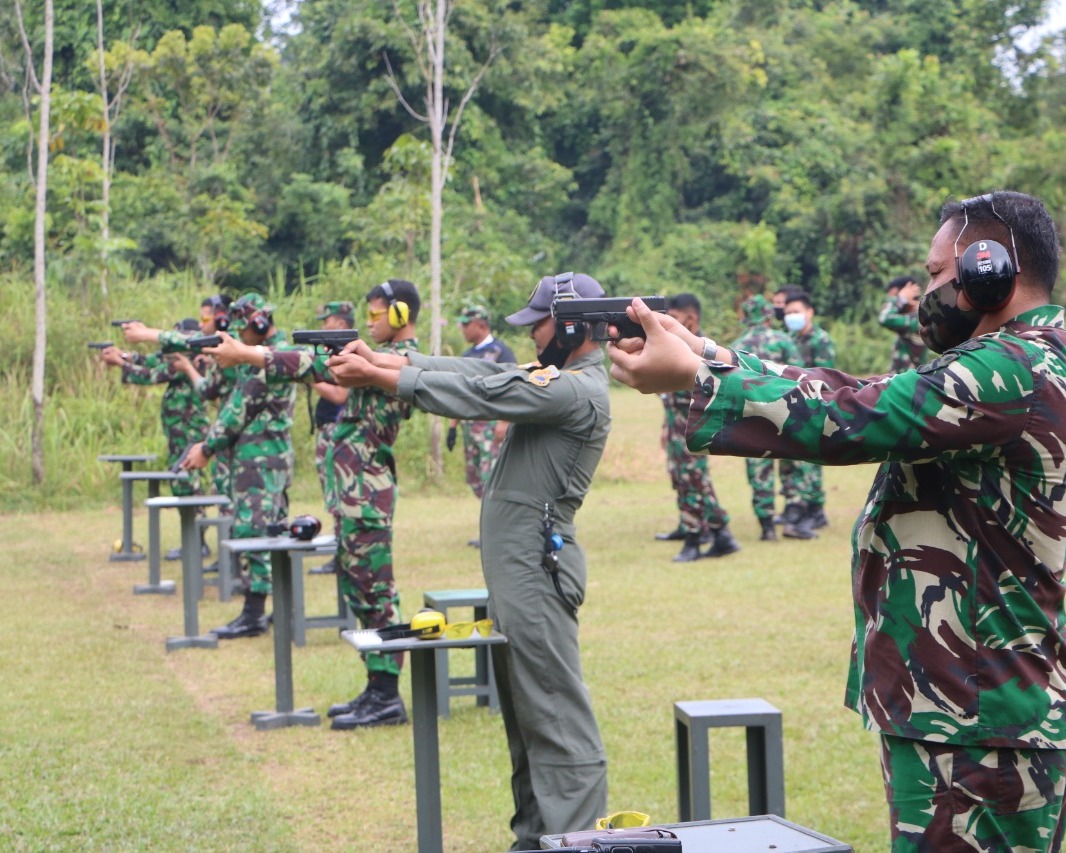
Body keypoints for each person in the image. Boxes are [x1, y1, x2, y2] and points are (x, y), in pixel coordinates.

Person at [608, 190, 1066, 852]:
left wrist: (697, 379)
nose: (928, 290)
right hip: (972, 708)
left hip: (979, 723)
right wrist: (707, 353)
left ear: (991, 268)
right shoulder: (1027, 357)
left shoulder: (1013, 367)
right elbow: (854, 388)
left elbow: (849, 415)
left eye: (939, 273)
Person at [327, 272, 610, 848]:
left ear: (575, 325)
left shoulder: (577, 389)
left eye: (542, 324)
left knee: (556, 720)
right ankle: (535, 840)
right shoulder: (557, 377)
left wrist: (389, 378)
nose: (532, 335)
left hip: (536, 574)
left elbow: (484, 395)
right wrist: (384, 363)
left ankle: (577, 841)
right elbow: (479, 372)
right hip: (521, 575)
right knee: (530, 720)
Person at [206, 280, 421, 729]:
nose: (370, 322)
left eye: (378, 313)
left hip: (367, 494)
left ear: (401, 315)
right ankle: (376, 685)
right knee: (360, 590)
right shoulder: (378, 357)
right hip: (354, 493)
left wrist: (249, 355)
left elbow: (311, 366)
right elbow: (318, 366)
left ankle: (387, 696)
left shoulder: (406, 359)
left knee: (376, 592)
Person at [178, 293, 296, 639]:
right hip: (268, 455)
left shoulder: (267, 359)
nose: (240, 338)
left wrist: (207, 447)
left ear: (259, 323)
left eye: (243, 330)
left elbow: (237, 409)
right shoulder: (269, 354)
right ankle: (279, 607)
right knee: (273, 530)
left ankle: (254, 613)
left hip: (258, 460)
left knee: (253, 531)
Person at [99, 320, 212, 559]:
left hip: (188, 432)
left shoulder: (189, 362)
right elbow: (155, 362)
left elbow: (153, 375)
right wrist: (126, 357)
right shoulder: (183, 360)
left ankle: (197, 542)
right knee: (184, 484)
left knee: (188, 484)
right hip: (181, 432)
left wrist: (121, 363)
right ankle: (194, 541)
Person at [653, 293, 740, 561]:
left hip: (694, 425)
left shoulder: (701, 350)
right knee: (685, 479)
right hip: (675, 423)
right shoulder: (674, 346)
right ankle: (718, 532)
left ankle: (694, 539)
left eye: (675, 319)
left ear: (691, 319)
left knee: (693, 480)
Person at [728, 295, 800, 541]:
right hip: (785, 410)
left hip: (752, 415)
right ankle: (793, 517)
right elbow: (798, 374)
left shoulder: (737, 345)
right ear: (769, 316)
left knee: (760, 470)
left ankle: (767, 526)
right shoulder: (784, 341)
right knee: (792, 462)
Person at [446, 303, 516, 547]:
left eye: (467, 324)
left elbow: (512, 388)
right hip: (469, 427)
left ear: (482, 325)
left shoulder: (500, 353)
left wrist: (504, 422)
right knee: (475, 477)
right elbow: (460, 391)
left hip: (490, 426)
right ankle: (490, 530)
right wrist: (453, 426)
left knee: (491, 478)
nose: (463, 329)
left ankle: (498, 532)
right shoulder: (467, 356)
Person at [778, 290, 835, 539]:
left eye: (796, 312)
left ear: (809, 312)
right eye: (788, 313)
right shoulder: (788, 338)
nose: (792, 317)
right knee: (790, 458)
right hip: (791, 404)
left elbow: (825, 375)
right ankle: (797, 505)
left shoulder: (820, 340)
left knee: (809, 460)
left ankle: (812, 510)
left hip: (813, 405)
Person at [307, 301, 356, 574]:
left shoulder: (346, 354)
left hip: (336, 431)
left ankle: (342, 553)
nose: (324, 324)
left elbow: (340, 395)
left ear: (339, 323)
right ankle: (341, 551)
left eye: (327, 320)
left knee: (338, 493)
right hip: (329, 429)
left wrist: (308, 377)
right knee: (333, 494)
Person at [878, 274, 927, 373]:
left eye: (892, 298)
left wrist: (900, 299)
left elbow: (884, 318)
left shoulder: (917, 320)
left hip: (907, 383)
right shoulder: (915, 317)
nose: (890, 303)